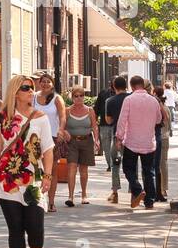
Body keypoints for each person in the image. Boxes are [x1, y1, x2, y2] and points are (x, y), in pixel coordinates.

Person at [0, 75, 54, 248]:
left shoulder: (40, 117)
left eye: (32, 88)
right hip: (6, 180)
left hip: (33, 179)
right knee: (15, 229)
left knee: (35, 226)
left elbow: (48, 149)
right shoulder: (2, 118)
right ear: (15, 91)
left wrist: (48, 176)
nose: (31, 91)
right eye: (26, 88)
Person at [116, 75, 161, 209]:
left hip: (132, 141)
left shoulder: (129, 100)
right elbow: (158, 119)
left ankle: (137, 189)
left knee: (128, 168)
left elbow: (122, 120)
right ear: (142, 85)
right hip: (148, 141)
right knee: (149, 172)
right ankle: (149, 201)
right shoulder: (154, 101)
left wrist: (119, 137)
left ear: (131, 86)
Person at [35, 71, 67, 211]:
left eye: (48, 81)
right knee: (36, 169)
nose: (45, 84)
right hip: (34, 137)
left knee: (51, 170)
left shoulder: (57, 98)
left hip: (52, 137)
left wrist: (61, 130)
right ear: (39, 83)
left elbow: (62, 116)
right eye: (43, 81)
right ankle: (37, 199)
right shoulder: (33, 97)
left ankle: (51, 201)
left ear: (52, 84)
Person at [64, 87, 99, 206]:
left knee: (84, 170)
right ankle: (70, 196)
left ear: (84, 97)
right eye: (76, 96)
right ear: (72, 98)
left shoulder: (90, 110)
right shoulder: (67, 111)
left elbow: (94, 126)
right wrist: (65, 132)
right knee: (71, 168)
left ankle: (84, 195)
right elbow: (62, 125)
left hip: (86, 141)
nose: (79, 98)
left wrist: (97, 140)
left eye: (81, 96)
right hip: (72, 142)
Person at [102, 75, 129, 204]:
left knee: (115, 164)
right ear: (126, 85)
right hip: (131, 137)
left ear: (114, 86)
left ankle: (115, 192)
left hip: (117, 135)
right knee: (131, 164)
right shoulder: (131, 99)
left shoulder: (110, 101)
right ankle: (133, 191)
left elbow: (108, 120)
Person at [153, 84, 172, 202]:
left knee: (156, 164)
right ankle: (164, 188)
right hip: (165, 137)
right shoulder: (167, 108)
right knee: (163, 163)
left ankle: (159, 188)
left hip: (158, 137)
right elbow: (169, 124)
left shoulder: (158, 107)